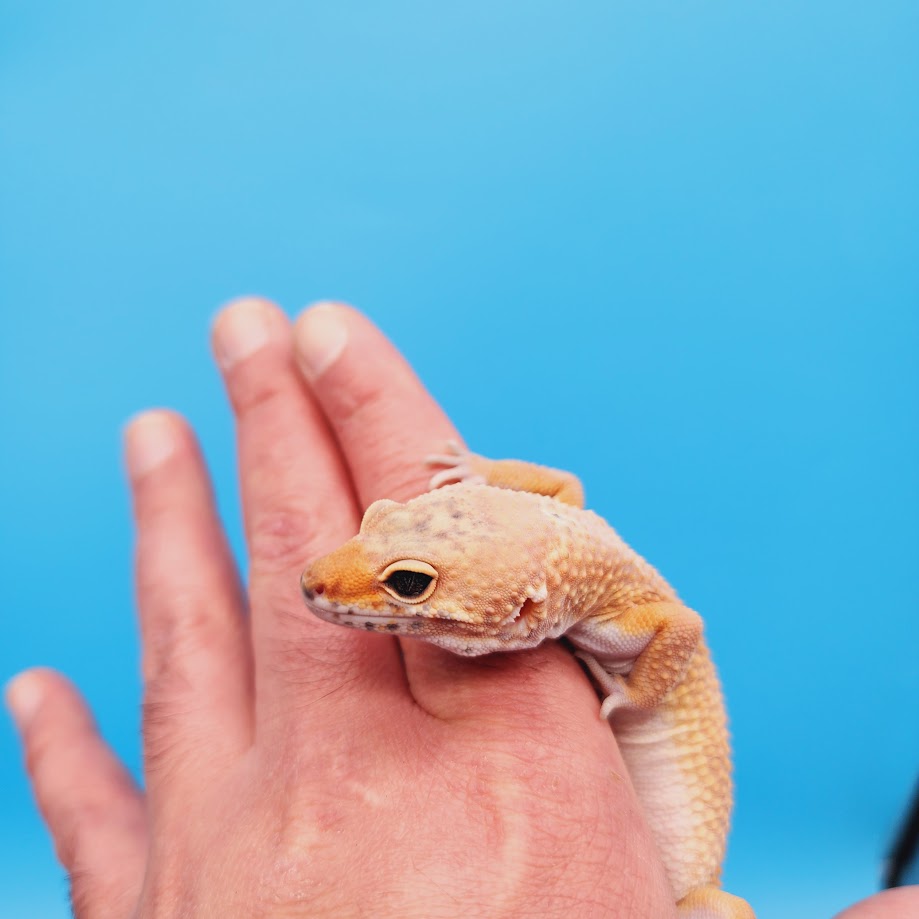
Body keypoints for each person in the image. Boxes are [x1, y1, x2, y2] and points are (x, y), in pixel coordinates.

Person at [6, 300, 917, 918]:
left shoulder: (629, 618)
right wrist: (480, 481)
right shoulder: (557, 553)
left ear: (526, 606)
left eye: (407, 585)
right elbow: (557, 487)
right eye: (386, 544)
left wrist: (638, 701)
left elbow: (683, 630)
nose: (333, 585)